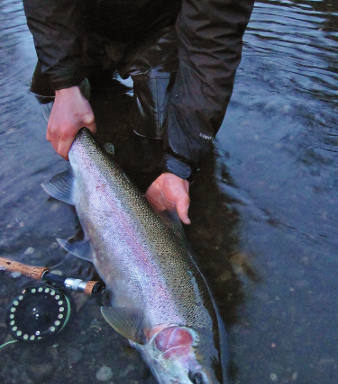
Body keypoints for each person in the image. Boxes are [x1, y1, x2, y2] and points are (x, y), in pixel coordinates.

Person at [23, 0, 254, 224]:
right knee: (47, 96)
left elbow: (211, 46)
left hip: (159, 29)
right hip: (79, 21)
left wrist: (180, 165)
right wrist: (64, 84)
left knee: (162, 141)